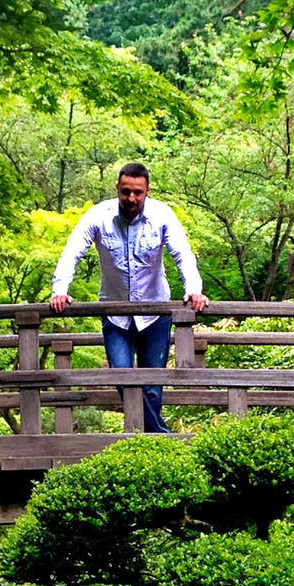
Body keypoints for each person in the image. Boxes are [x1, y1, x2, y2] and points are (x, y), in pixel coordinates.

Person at [49, 162, 208, 433]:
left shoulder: (162, 215)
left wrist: (193, 288)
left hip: (155, 312)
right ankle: (161, 437)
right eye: (125, 192)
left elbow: (182, 253)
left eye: (137, 192)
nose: (131, 199)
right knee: (122, 376)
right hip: (115, 312)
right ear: (117, 189)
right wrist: (60, 289)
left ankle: (148, 441)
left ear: (147, 191)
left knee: (153, 386)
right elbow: (72, 252)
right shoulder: (99, 216)